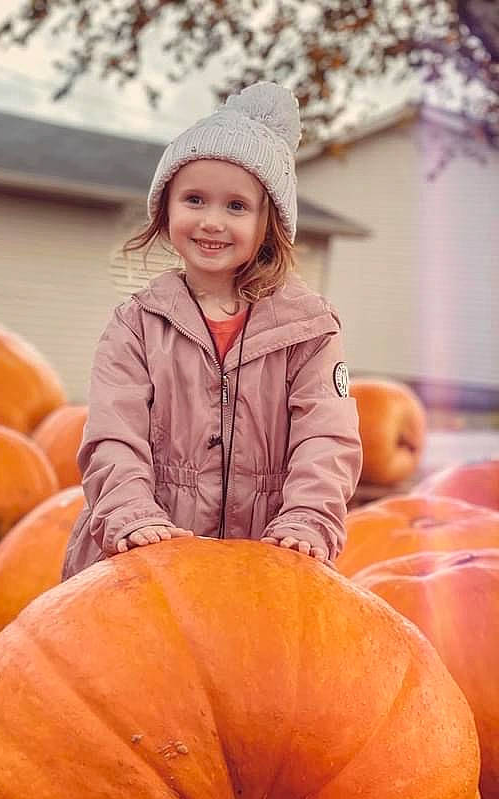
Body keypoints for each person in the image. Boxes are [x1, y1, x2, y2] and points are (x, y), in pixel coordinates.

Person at [62, 81, 362, 581]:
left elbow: (327, 437)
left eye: (237, 206)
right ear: (166, 209)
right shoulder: (136, 325)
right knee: (136, 658)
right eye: (195, 199)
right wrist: (132, 515)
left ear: (270, 224)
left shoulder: (309, 331)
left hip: (267, 553)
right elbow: (113, 435)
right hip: (148, 555)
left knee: (250, 659)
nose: (212, 222)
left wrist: (309, 519)